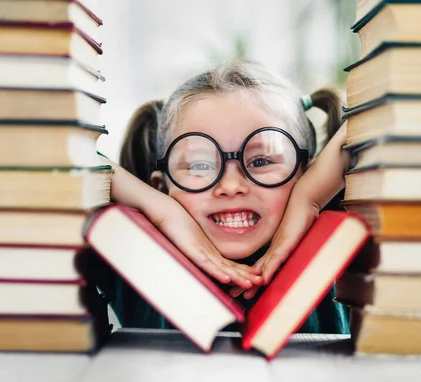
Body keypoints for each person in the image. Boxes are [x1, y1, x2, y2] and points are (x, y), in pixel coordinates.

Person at [95, 60, 353, 333]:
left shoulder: (341, 252)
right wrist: (161, 210)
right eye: (200, 165)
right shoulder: (133, 256)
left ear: (308, 174)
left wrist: (309, 197)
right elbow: (53, 148)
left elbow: (395, 103)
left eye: (261, 160)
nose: (231, 186)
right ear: (161, 185)